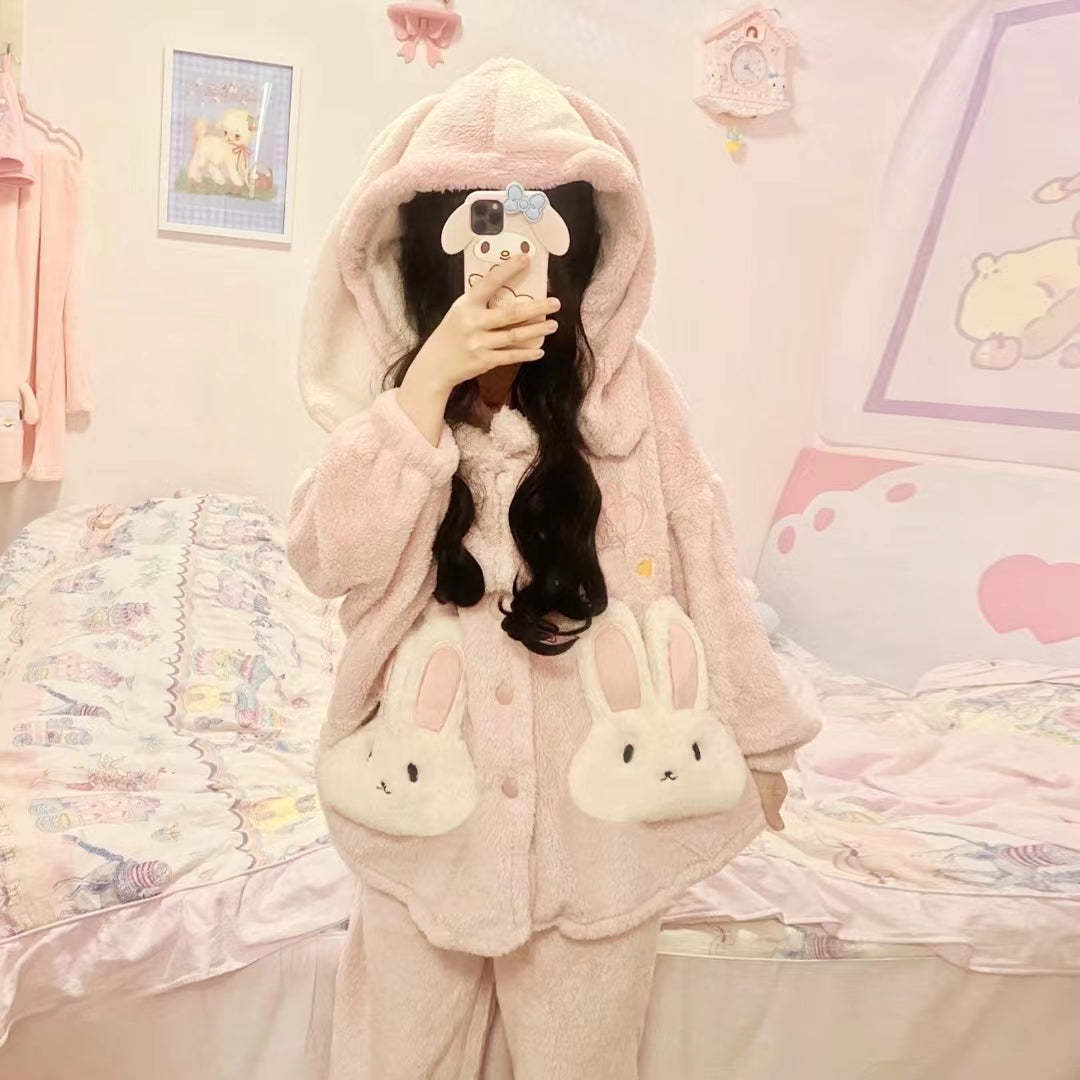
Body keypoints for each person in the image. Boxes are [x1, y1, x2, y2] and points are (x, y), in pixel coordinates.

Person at [288, 58, 820, 1080]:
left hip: (599, 822)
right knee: (391, 1056)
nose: (505, 266)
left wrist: (763, 739)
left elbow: (704, 555)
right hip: (427, 805)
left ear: (578, 254)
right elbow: (324, 556)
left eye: (533, 237)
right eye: (480, 233)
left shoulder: (635, 398)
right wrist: (428, 386)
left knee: (582, 1057)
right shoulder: (394, 404)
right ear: (431, 255)